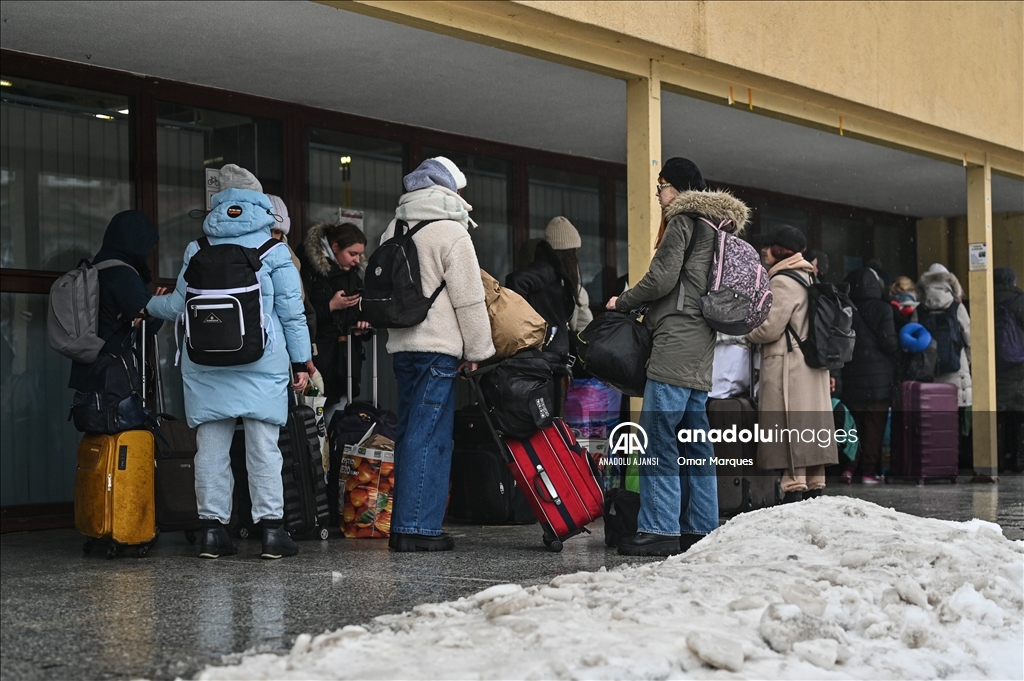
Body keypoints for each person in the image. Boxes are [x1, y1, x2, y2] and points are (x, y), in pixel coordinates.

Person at [146, 164, 311, 560]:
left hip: (205, 365)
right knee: (263, 449)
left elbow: (177, 305)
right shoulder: (274, 251)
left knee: (211, 449)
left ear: (219, 205)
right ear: (259, 204)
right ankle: (272, 531)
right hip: (262, 362)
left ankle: (212, 533)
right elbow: (292, 313)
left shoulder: (198, 248)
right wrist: (302, 361)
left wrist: (144, 302)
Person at [606, 157, 744, 556]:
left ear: (679, 187)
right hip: (702, 342)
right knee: (695, 440)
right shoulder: (716, 226)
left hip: (675, 342)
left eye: (661, 185)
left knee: (659, 437)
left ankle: (660, 528)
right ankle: (699, 528)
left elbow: (661, 279)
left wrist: (624, 301)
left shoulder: (684, 221)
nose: (658, 194)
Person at [381, 156, 494, 552]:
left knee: (410, 433)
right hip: (437, 350)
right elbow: (470, 299)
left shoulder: (392, 228)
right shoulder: (451, 231)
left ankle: (402, 524)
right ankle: (417, 528)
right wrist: (479, 350)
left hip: (402, 348)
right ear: (451, 189)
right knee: (430, 437)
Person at [747, 225, 838, 502]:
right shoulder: (807, 277)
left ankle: (792, 489)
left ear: (780, 251)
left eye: (768, 246)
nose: (763, 251)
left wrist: (746, 328)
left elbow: (770, 329)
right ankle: (814, 484)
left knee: (791, 426)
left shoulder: (782, 281)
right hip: (811, 365)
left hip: (790, 366)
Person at [68, 210, 165, 392]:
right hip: (114, 369)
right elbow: (146, 325)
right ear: (135, 241)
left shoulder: (96, 266)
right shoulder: (123, 275)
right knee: (118, 418)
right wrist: (158, 306)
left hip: (90, 362)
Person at [299, 221, 369, 425]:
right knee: (315, 413)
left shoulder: (353, 273)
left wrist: (361, 324)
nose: (357, 260)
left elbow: (361, 308)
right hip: (319, 354)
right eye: (352, 253)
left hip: (346, 356)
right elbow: (301, 313)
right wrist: (330, 306)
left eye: (359, 254)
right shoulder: (309, 267)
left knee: (340, 413)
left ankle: (335, 455)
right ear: (335, 247)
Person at [839, 267, 899, 484]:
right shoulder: (883, 309)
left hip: (853, 377)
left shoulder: (846, 309)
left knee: (853, 426)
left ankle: (848, 467)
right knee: (874, 427)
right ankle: (867, 471)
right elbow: (889, 344)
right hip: (879, 381)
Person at [917, 263, 972, 467]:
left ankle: (936, 461)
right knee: (956, 420)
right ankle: (956, 461)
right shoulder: (957, 307)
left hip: (928, 373)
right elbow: (970, 338)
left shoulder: (919, 309)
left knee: (933, 421)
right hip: (956, 370)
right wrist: (968, 361)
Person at [994, 267, 1024, 472]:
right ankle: (1018, 460)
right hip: (1018, 366)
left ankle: (998, 459)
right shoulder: (1019, 301)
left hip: (993, 366)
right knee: (1019, 415)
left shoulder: (984, 298)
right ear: (1012, 281)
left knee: (997, 417)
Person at [544, 216, 593, 333]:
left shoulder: (579, 293)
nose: (575, 259)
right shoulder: (542, 288)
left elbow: (586, 329)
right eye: (572, 253)